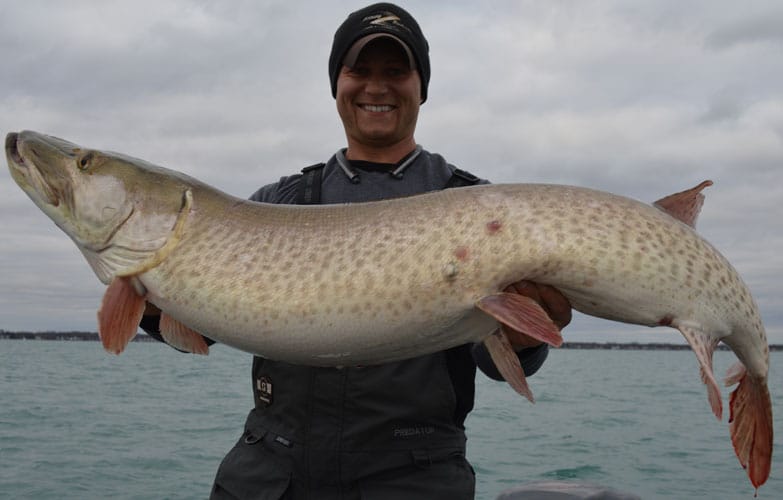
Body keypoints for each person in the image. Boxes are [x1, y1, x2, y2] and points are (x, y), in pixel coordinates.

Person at [141, 3, 571, 499]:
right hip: (268, 472)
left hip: (411, 475)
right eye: (359, 70)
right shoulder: (278, 202)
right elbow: (198, 333)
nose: (376, 86)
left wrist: (527, 336)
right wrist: (152, 304)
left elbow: (494, 362)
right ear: (337, 84)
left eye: (396, 71)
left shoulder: (477, 207)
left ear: (420, 88)